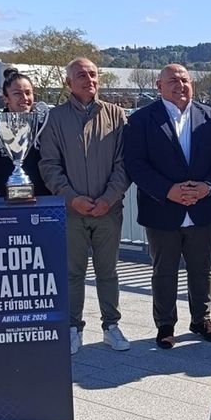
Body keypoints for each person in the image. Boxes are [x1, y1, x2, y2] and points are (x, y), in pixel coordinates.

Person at [124, 64, 211, 348]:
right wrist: (167, 191)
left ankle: (201, 320)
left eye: (184, 80)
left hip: (200, 206)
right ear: (159, 86)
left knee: (202, 268)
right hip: (161, 208)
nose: (180, 85)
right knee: (164, 270)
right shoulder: (141, 119)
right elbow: (135, 163)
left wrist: (207, 187)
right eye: (172, 80)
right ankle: (165, 324)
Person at [38, 58, 131, 353]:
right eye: (81, 75)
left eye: (92, 74)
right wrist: (71, 197)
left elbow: (124, 163)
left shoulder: (116, 114)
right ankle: (72, 327)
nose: (89, 79)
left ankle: (111, 326)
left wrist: (109, 198)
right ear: (68, 82)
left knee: (108, 272)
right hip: (71, 211)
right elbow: (49, 164)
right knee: (72, 273)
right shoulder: (55, 118)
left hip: (108, 210)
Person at [0, 68, 50, 198]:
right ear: (5, 98)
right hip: (1, 201)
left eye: (28, 93)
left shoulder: (44, 128)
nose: (24, 98)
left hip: (40, 199)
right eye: (17, 94)